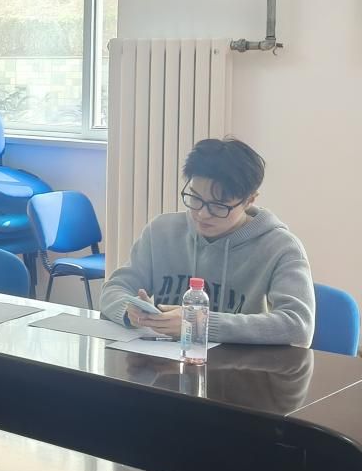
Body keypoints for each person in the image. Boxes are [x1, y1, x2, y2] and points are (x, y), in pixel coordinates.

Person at [98, 137, 315, 346]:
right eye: (195, 198)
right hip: (163, 362)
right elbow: (114, 288)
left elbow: (298, 325)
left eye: (219, 205)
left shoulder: (280, 247)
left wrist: (200, 323)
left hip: (240, 367)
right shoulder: (161, 231)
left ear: (249, 200)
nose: (202, 214)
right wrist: (130, 310)